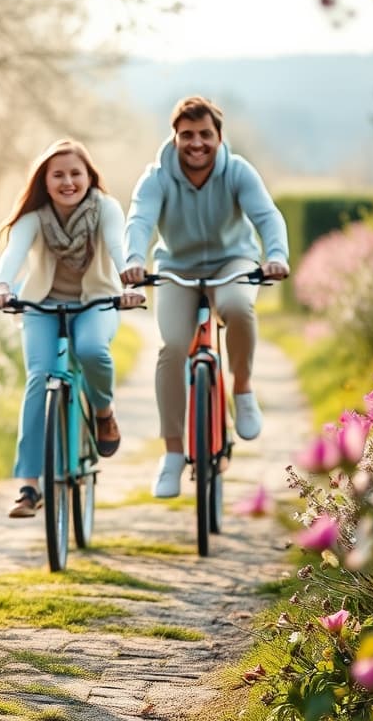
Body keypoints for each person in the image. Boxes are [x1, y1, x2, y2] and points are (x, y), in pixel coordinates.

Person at [120, 95, 290, 499]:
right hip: (176, 268)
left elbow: (266, 216)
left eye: (205, 135)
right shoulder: (157, 176)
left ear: (219, 136)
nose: (196, 143)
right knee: (172, 349)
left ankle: (243, 389)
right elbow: (140, 219)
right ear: (175, 137)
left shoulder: (238, 172)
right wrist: (132, 260)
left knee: (236, 306)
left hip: (233, 262)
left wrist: (277, 255)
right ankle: (174, 455)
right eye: (187, 135)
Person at [0, 139, 144, 519]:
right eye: (58, 175)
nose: (68, 181)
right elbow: (13, 255)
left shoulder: (105, 208)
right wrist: (0, 286)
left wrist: (129, 285)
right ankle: (29, 486)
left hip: (97, 302)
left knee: (91, 350)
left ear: (90, 177)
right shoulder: (35, 217)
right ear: (45, 180)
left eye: (76, 173)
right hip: (42, 304)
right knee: (39, 380)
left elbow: (118, 248)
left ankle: (104, 413)